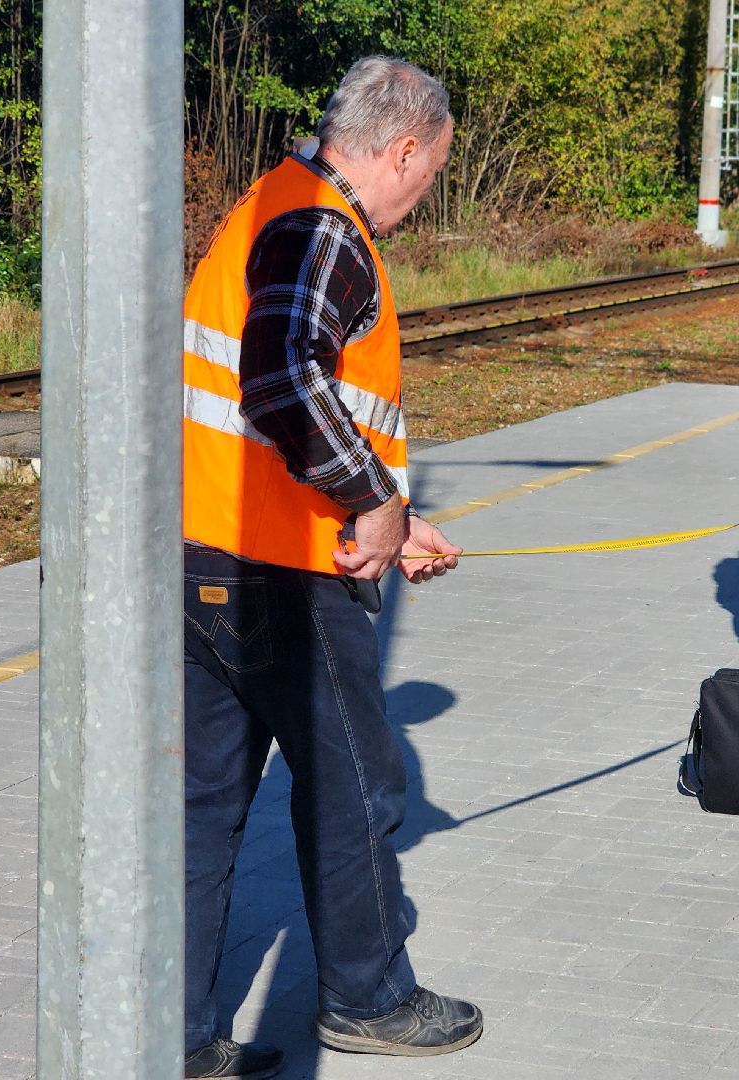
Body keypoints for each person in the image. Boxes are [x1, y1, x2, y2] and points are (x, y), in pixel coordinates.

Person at [180, 56, 481, 1079]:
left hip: (206, 554)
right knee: (355, 789)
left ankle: (173, 1029)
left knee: (202, 807)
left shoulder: (270, 199)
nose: (421, 197)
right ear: (402, 149)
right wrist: (375, 501)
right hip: (287, 576)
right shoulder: (325, 229)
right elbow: (280, 378)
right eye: (429, 175)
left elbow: (280, 404)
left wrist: (394, 516)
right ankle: (368, 998)